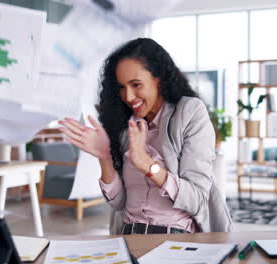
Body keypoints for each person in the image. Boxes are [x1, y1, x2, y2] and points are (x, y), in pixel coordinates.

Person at [58, 38, 232, 235]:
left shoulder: (189, 112)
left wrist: (146, 164)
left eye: (136, 84)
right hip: (129, 235)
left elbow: (197, 200)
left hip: (174, 238)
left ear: (158, 78)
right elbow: (119, 203)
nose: (128, 97)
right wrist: (104, 157)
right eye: (121, 87)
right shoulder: (126, 126)